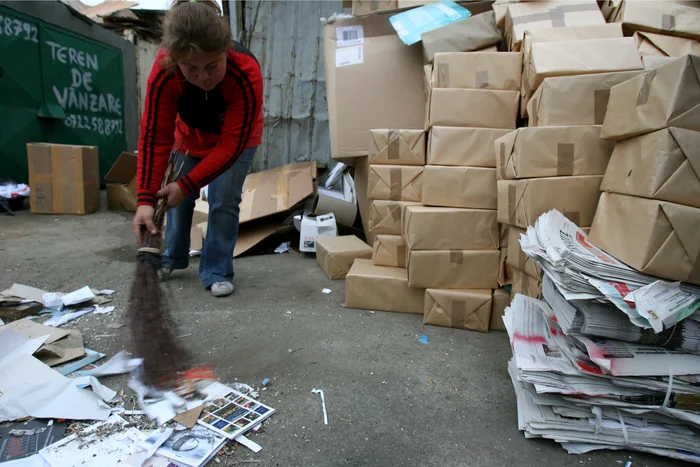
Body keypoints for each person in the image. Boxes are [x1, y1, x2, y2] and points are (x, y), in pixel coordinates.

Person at [132, 0, 263, 297]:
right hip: (188, 137)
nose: (202, 76)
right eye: (190, 67)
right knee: (174, 199)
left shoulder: (245, 72)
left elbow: (231, 145)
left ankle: (217, 269)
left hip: (236, 141)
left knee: (224, 200)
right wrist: (143, 200)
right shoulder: (165, 69)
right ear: (175, 58)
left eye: (211, 66)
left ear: (225, 52)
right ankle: (171, 257)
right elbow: (154, 136)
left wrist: (189, 183)